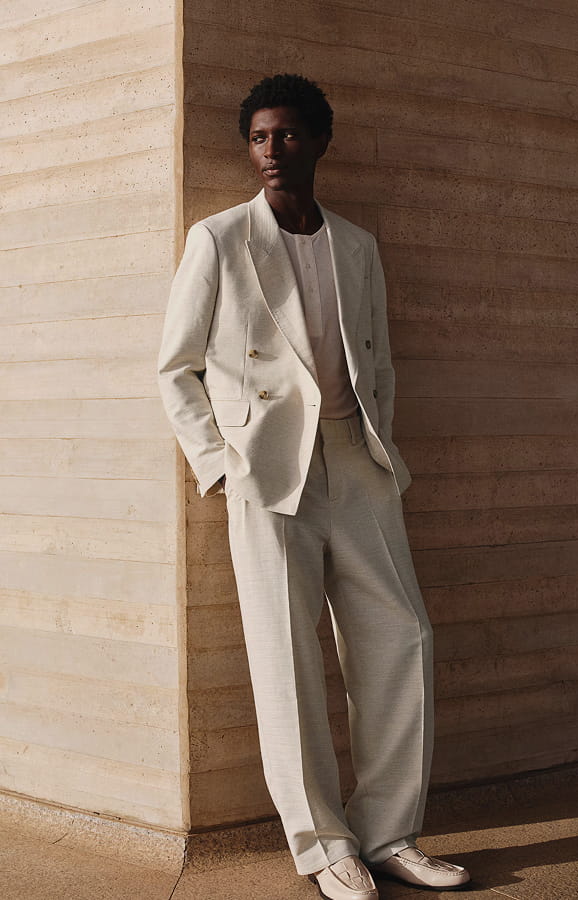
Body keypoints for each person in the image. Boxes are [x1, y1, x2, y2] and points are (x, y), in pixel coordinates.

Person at [158, 73, 470, 899]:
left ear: (319, 142)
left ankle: (390, 833)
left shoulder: (356, 245)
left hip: (356, 461)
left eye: (287, 135)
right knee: (286, 656)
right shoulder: (219, 239)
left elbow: (378, 362)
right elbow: (175, 368)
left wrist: (377, 437)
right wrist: (220, 464)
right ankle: (325, 845)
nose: (271, 150)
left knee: (403, 638)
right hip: (266, 471)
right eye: (259, 137)